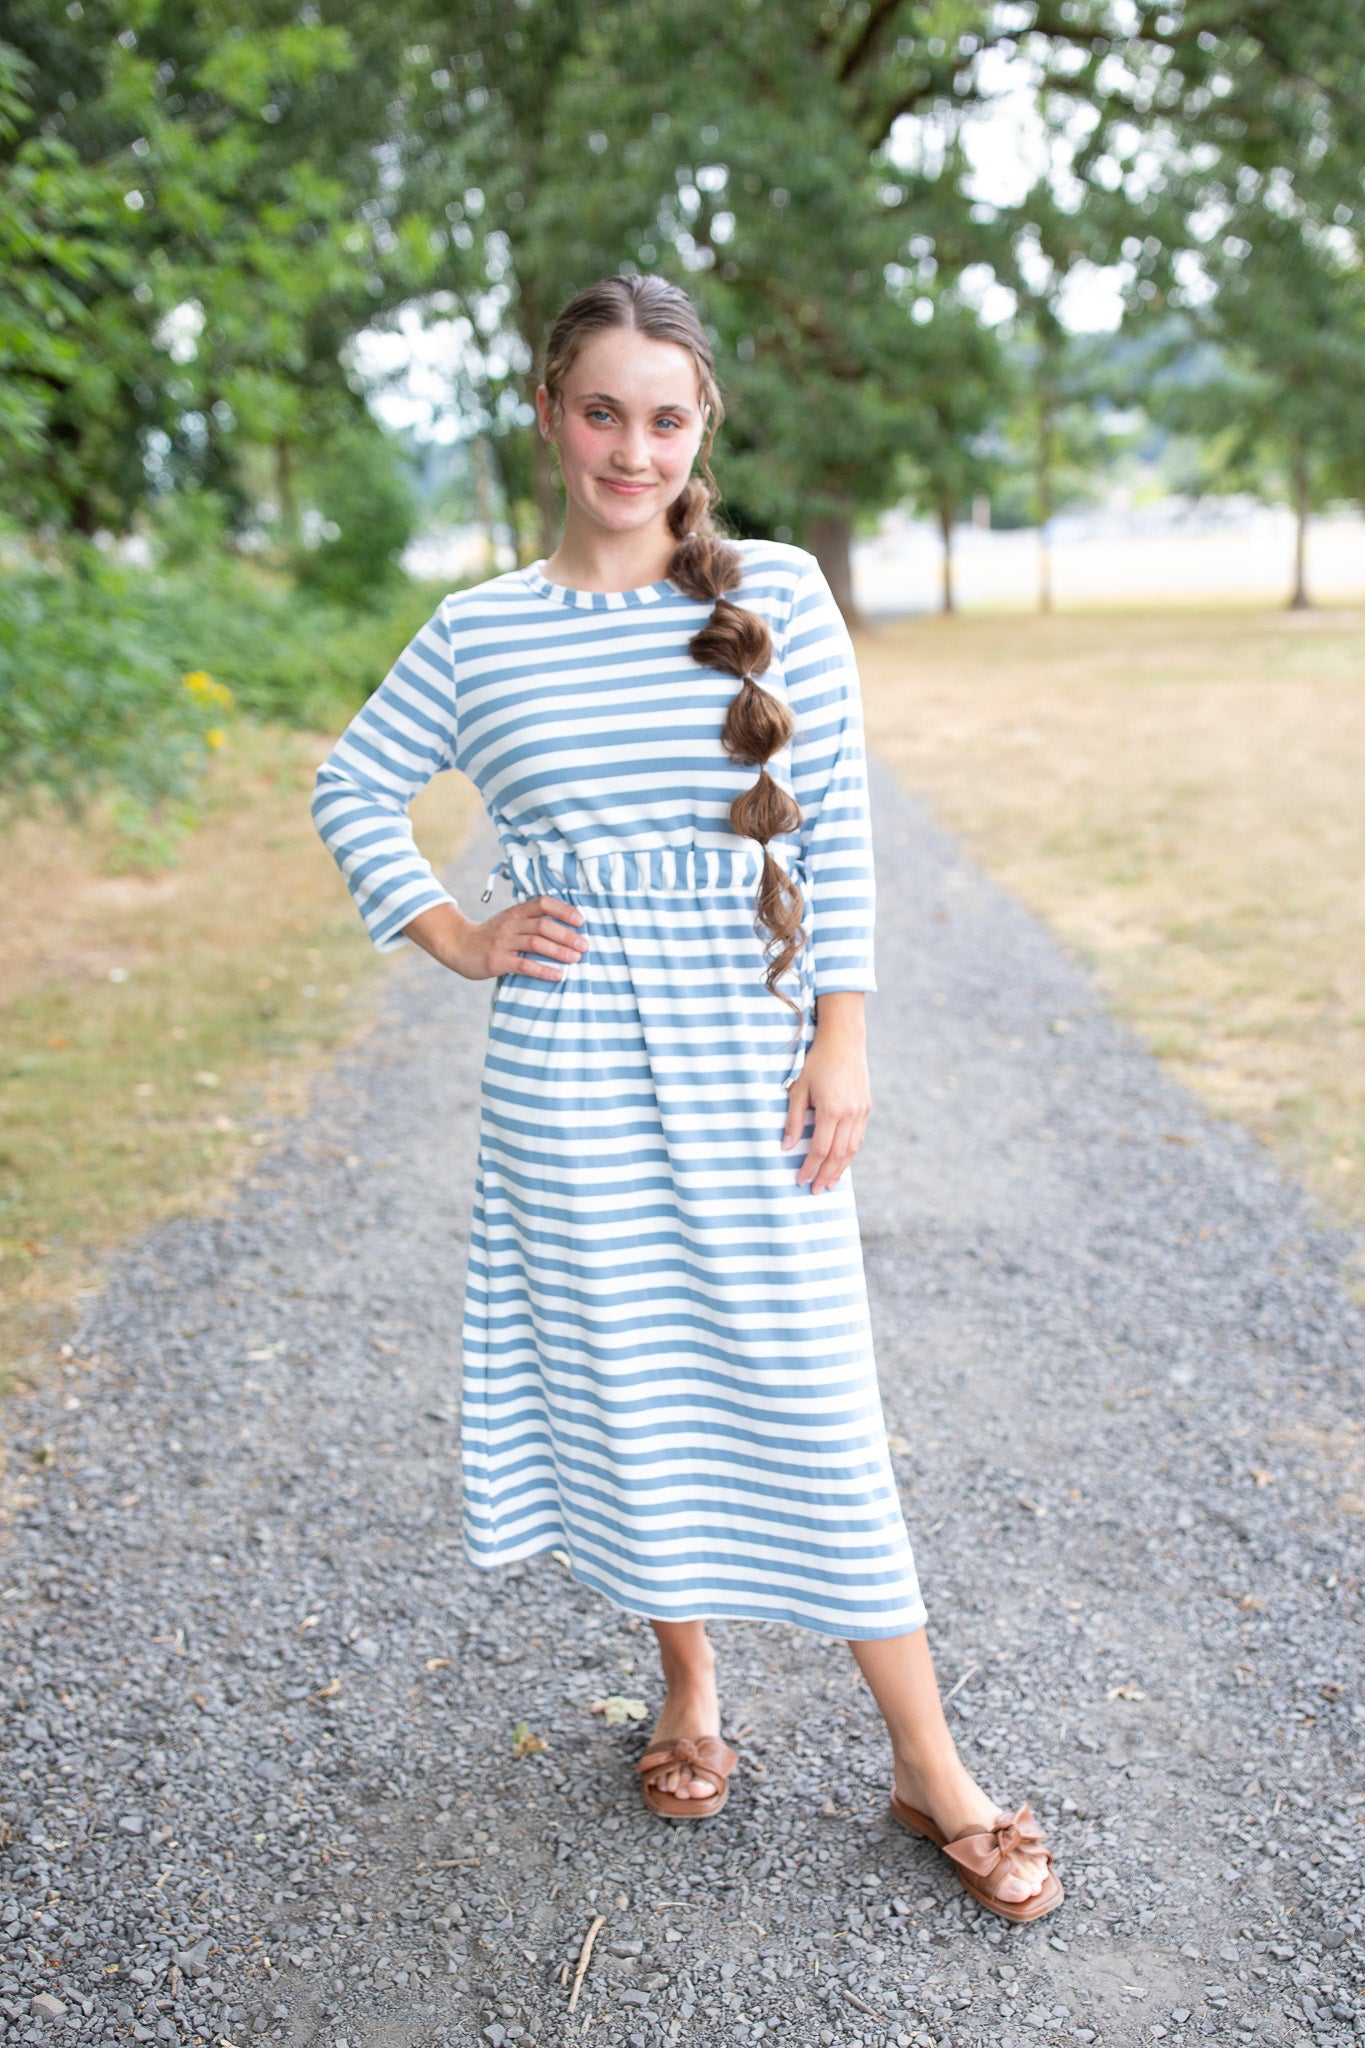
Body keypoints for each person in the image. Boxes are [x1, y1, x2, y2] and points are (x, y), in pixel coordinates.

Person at [312, 272, 1061, 1922]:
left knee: (810, 1393)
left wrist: (841, 1041)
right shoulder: (480, 630)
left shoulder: (777, 591)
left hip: (746, 1049)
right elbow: (351, 782)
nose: (630, 450)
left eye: (663, 417)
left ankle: (927, 1765)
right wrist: (455, 933)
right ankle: (688, 1691)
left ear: (702, 422)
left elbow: (836, 834)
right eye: (600, 412)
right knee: (634, 1378)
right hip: (565, 1067)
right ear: (548, 416)